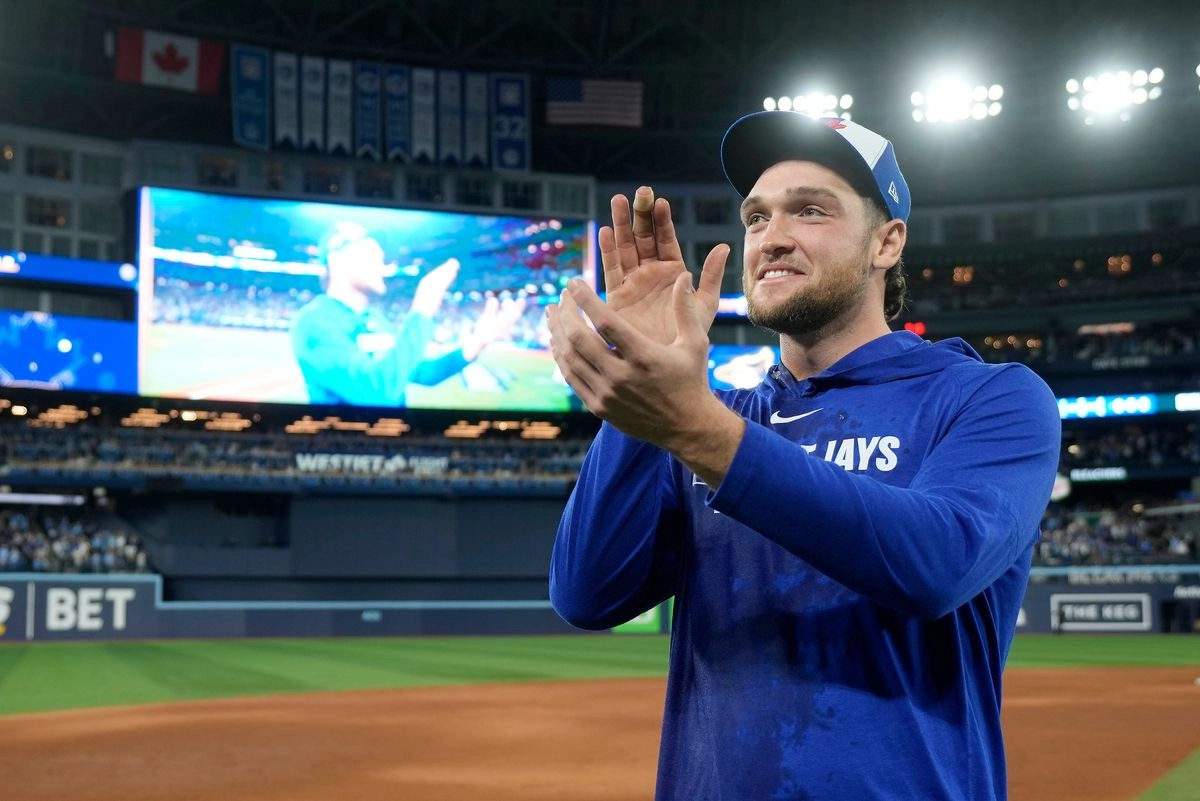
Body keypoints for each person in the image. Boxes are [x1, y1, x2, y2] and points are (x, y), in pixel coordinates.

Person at [545, 110, 1062, 800]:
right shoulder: (718, 418)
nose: (772, 237)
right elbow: (588, 592)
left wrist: (697, 429)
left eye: (810, 211)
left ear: (887, 242)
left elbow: (937, 563)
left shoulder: (991, 397)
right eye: (756, 217)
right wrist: (643, 391)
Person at [290, 221, 524, 406]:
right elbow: (378, 392)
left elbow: (423, 372)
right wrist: (422, 309)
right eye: (369, 251)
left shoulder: (375, 320)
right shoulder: (314, 322)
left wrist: (478, 341)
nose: (381, 258)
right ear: (336, 260)